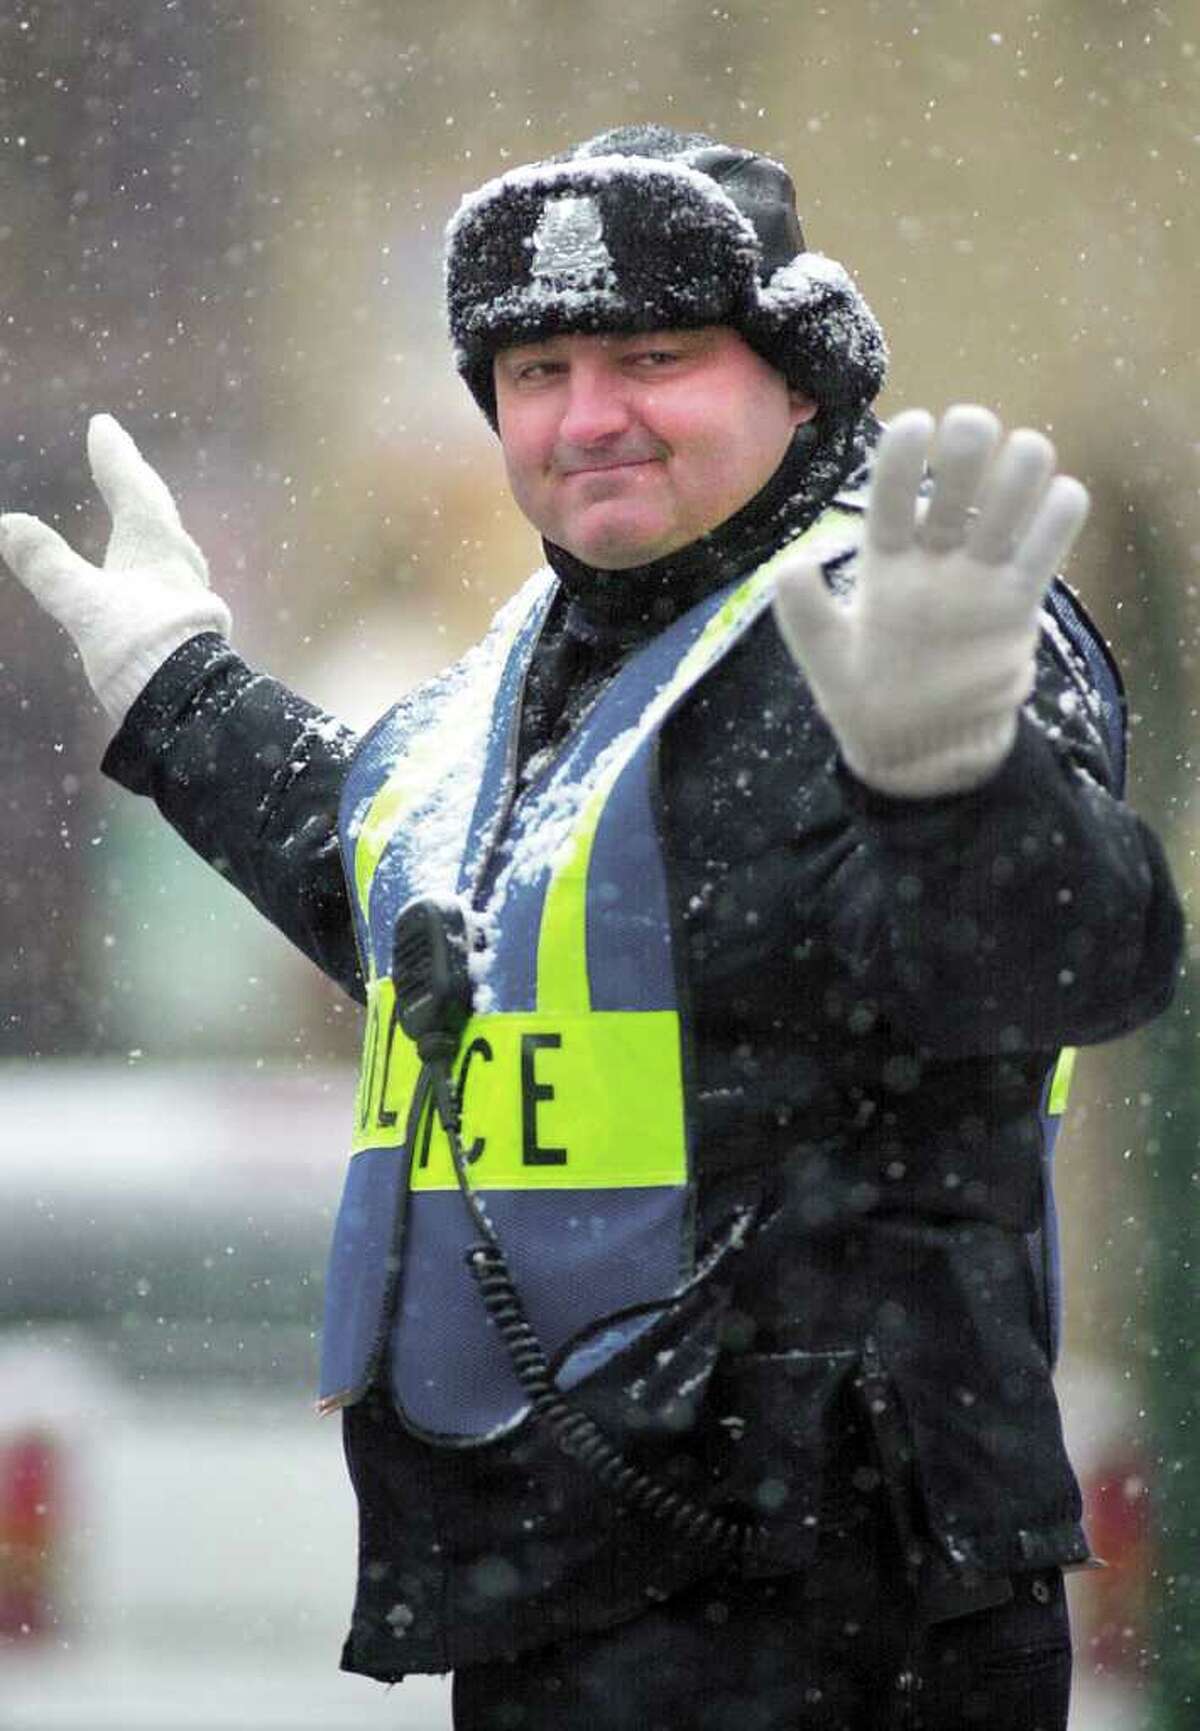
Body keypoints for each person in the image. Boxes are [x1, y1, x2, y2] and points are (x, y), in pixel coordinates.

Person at [0, 124, 1183, 1730]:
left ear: (801, 378)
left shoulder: (910, 614)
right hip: (558, 1582)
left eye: (654, 355)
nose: (589, 416)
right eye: (537, 368)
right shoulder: (525, 675)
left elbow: (1080, 959)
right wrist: (179, 691)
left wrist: (957, 786)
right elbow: (416, 921)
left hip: (853, 1613)